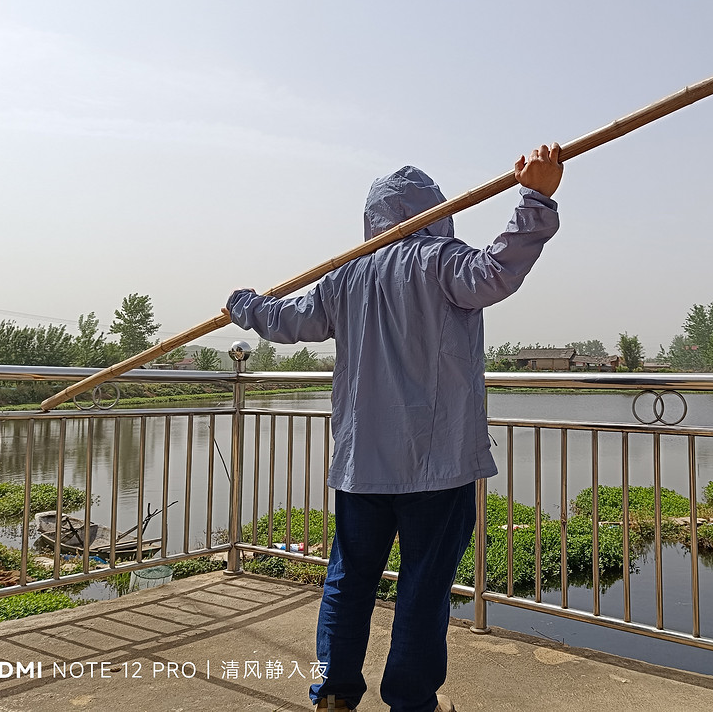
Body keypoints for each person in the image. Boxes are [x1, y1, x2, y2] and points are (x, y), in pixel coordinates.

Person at [225, 143, 564, 712]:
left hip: (363, 465)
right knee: (423, 588)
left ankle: (333, 692)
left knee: (348, 581)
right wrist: (535, 197)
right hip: (438, 465)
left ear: (373, 218)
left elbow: (288, 320)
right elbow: (498, 271)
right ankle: (410, 701)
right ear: (437, 211)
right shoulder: (442, 261)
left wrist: (246, 305)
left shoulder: (345, 277)